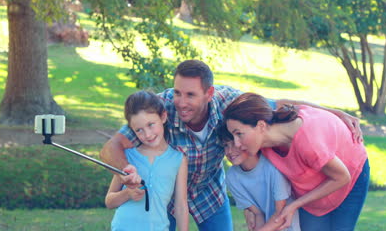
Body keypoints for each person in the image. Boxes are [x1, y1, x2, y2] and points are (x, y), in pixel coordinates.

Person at [100, 60, 362, 231]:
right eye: (178, 92)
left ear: (209, 94)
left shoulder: (229, 102)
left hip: (209, 193)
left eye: (190, 95)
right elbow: (111, 147)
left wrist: (335, 112)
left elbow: (278, 104)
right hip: (165, 197)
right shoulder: (160, 108)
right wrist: (128, 172)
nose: (180, 102)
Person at [223, 92, 370, 231]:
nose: (236, 144)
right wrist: (251, 210)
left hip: (350, 172)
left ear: (261, 126)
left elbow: (342, 177)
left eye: (239, 134)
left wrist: (294, 205)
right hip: (313, 183)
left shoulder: (308, 143)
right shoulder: (265, 120)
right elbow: (282, 102)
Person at [105, 90, 188, 231]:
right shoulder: (127, 157)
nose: (147, 134)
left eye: (151, 124)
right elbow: (109, 201)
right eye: (139, 130)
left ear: (163, 117)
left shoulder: (178, 159)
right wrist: (127, 193)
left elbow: (180, 206)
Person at [219, 124, 301, 231]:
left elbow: (281, 214)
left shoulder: (273, 167)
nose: (229, 151)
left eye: (234, 144)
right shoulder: (232, 177)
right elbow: (257, 213)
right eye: (226, 145)